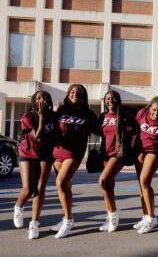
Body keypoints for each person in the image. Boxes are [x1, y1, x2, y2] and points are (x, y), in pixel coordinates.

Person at [51, 84, 99, 238]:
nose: (75, 94)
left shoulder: (88, 114)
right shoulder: (61, 110)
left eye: (78, 92)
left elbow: (101, 131)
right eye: (72, 91)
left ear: (83, 96)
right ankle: (66, 215)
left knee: (61, 182)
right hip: (57, 152)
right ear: (67, 94)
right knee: (65, 186)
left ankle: (68, 220)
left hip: (74, 153)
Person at [13, 90, 58, 239]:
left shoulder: (54, 116)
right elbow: (37, 137)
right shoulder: (27, 116)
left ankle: (34, 223)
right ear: (34, 101)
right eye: (38, 97)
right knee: (28, 189)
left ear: (49, 101)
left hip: (45, 154)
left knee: (40, 188)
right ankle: (18, 207)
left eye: (45, 97)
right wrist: (41, 117)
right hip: (27, 152)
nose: (42, 100)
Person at [98, 90, 139, 232]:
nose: (111, 101)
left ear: (118, 100)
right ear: (105, 101)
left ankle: (114, 215)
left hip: (119, 153)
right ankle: (110, 216)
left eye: (114, 98)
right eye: (108, 99)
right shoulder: (102, 116)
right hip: (105, 153)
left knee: (103, 181)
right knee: (108, 186)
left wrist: (130, 147)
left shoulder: (125, 116)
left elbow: (136, 132)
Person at [133, 96, 158, 234]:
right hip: (140, 151)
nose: (156, 113)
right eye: (154, 110)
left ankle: (151, 218)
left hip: (155, 151)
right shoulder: (141, 114)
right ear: (149, 108)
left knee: (145, 181)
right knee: (141, 184)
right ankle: (145, 216)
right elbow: (135, 130)